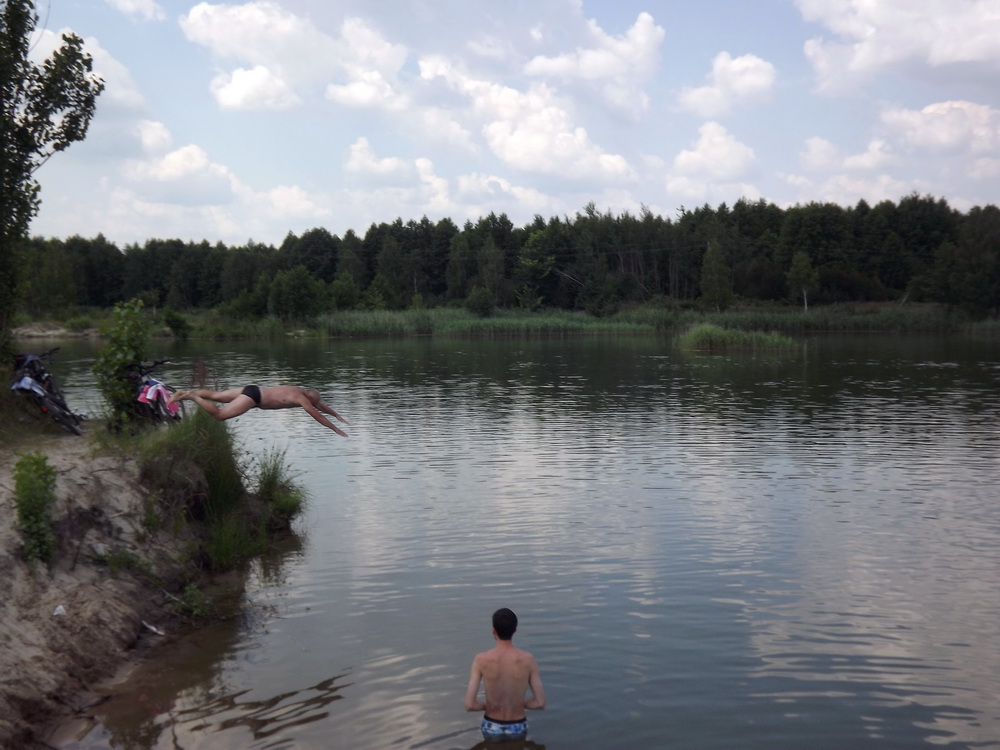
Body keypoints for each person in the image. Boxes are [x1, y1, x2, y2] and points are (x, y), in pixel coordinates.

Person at [464, 608, 545, 742]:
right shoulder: (528, 660)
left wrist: (489, 705)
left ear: (493, 631)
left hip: (492, 725)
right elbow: (540, 703)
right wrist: (518, 704)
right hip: (518, 725)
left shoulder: (481, 660)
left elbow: (469, 705)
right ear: (515, 630)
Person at [168, 385, 349, 436]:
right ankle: (194, 397)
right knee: (220, 415)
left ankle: (184, 393)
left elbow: (319, 406)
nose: (316, 405)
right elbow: (317, 415)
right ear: (310, 398)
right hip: (254, 398)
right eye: (314, 403)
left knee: (217, 395)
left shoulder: (301, 391)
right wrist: (334, 428)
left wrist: (336, 414)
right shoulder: (302, 399)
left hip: (253, 389)